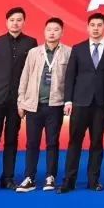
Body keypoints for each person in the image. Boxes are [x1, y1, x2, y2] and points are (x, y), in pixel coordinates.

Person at [0, 7, 37, 193]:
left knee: (12, 139)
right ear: (7, 22)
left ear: (24, 22)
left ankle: (8, 178)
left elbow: (33, 73)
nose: (15, 23)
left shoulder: (31, 43)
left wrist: (26, 100)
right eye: (12, 20)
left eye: (19, 20)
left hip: (17, 101)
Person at [15, 17, 70, 192]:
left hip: (55, 105)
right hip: (34, 105)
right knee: (32, 143)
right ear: (44, 32)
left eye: (56, 29)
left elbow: (71, 80)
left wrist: (69, 101)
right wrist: (21, 101)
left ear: (62, 32)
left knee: (52, 142)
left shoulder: (68, 52)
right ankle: (29, 177)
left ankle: (50, 176)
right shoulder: (34, 52)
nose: (52, 33)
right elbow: (25, 77)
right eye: (49, 29)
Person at [60, 12, 104, 193]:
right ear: (88, 27)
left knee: (96, 142)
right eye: (93, 25)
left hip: (101, 104)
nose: (96, 28)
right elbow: (70, 76)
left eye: (99, 25)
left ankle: (93, 181)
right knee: (75, 142)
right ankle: (69, 180)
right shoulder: (78, 48)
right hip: (80, 103)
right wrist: (68, 100)